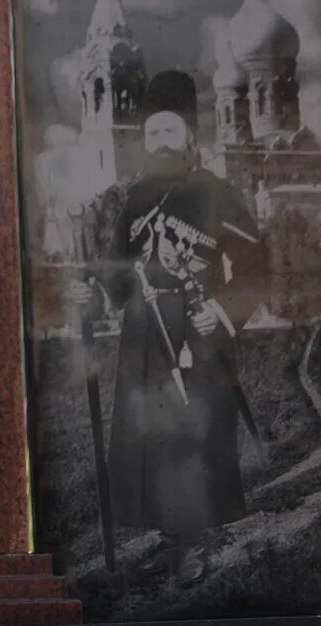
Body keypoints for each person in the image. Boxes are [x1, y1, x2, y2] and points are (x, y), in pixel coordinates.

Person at [67, 71, 267, 587]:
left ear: (190, 139)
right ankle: (168, 536)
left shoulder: (216, 193)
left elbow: (253, 266)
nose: (160, 143)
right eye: (152, 134)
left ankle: (197, 537)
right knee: (149, 436)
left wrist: (221, 313)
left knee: (193, 433)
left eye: (170, 133)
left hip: (197, 331)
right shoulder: (134, 200)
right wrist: (92, 296)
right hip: (142, 334)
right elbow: (115, 272)